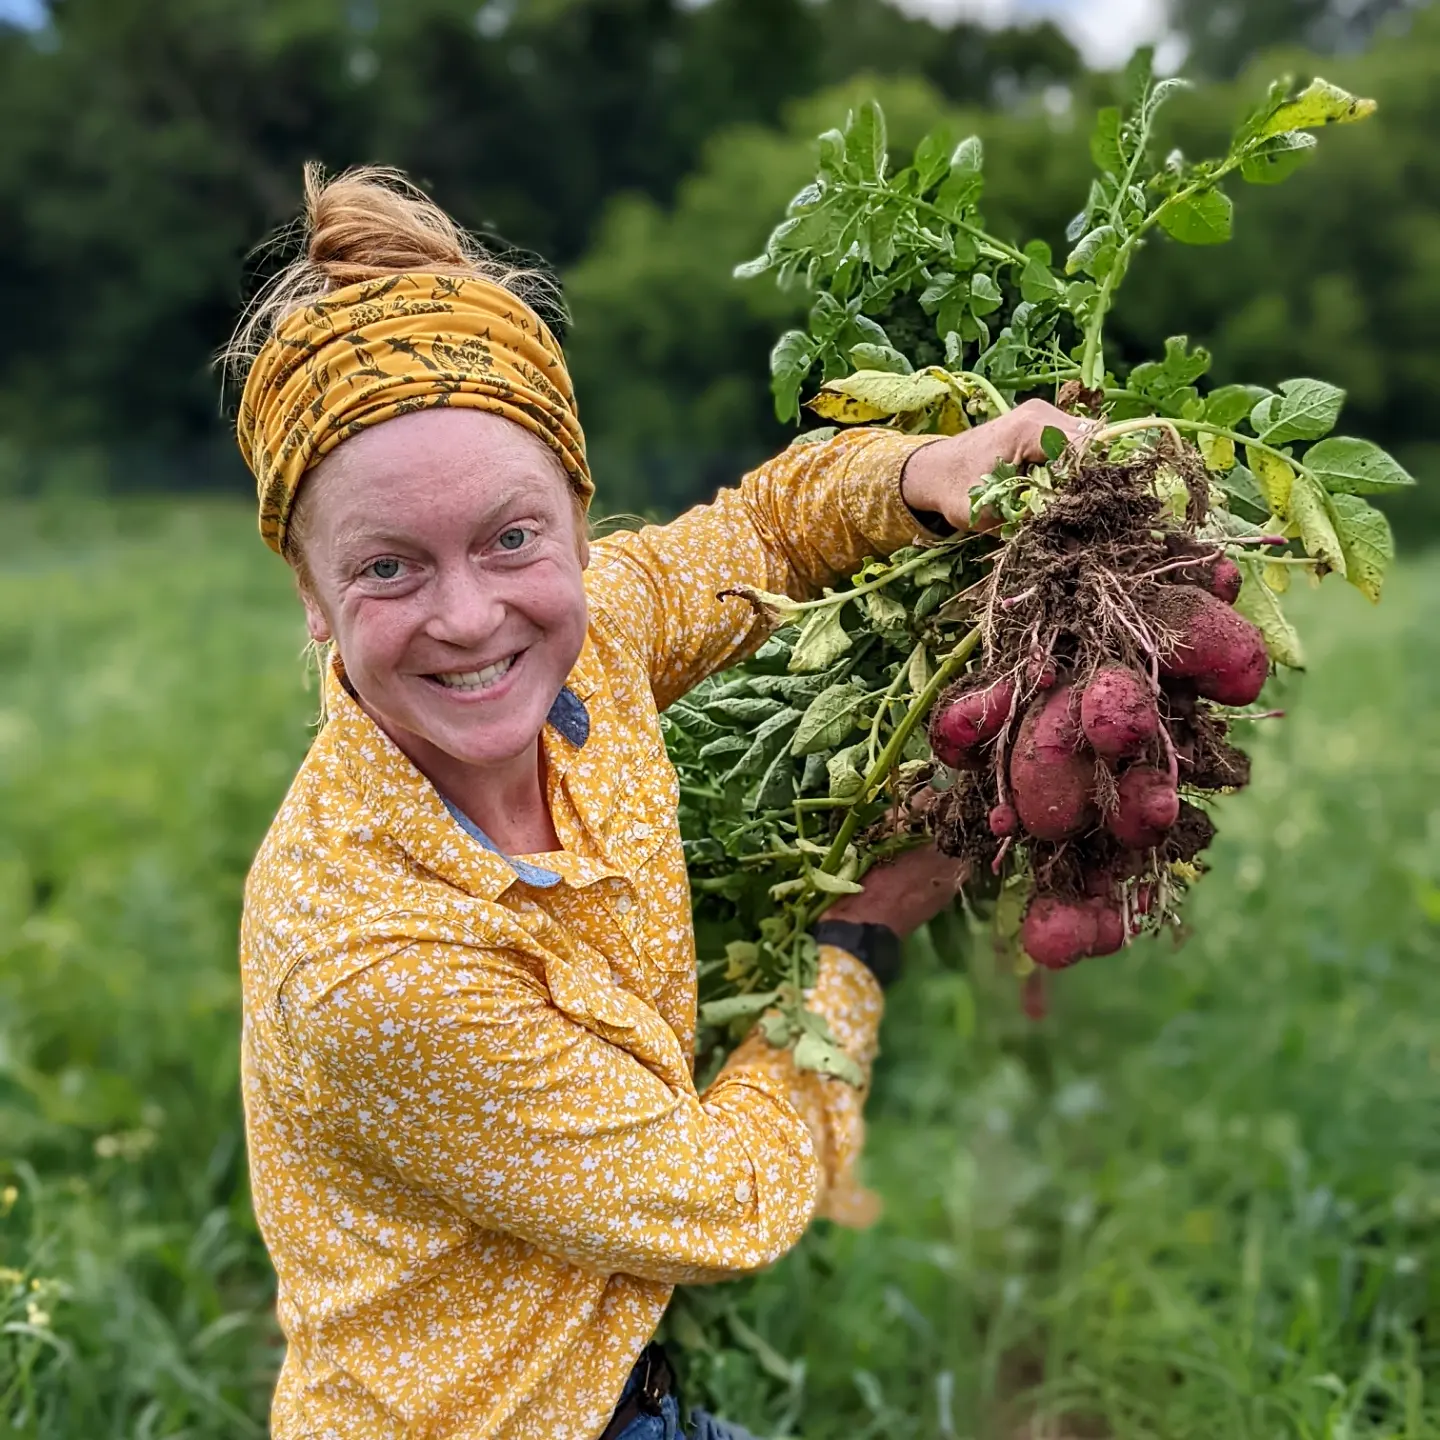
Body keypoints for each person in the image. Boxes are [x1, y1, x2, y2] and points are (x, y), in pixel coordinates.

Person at [231, 165, 1085, 1440]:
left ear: (577, 523)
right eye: (389, 568)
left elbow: (761, 536)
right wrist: (864, 930)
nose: (470, 618)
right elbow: (720, 1199)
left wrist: (928, 469)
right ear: (310, 596)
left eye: (512, 540)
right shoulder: (369, 962)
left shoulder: (597, 643)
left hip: (612, 1381)